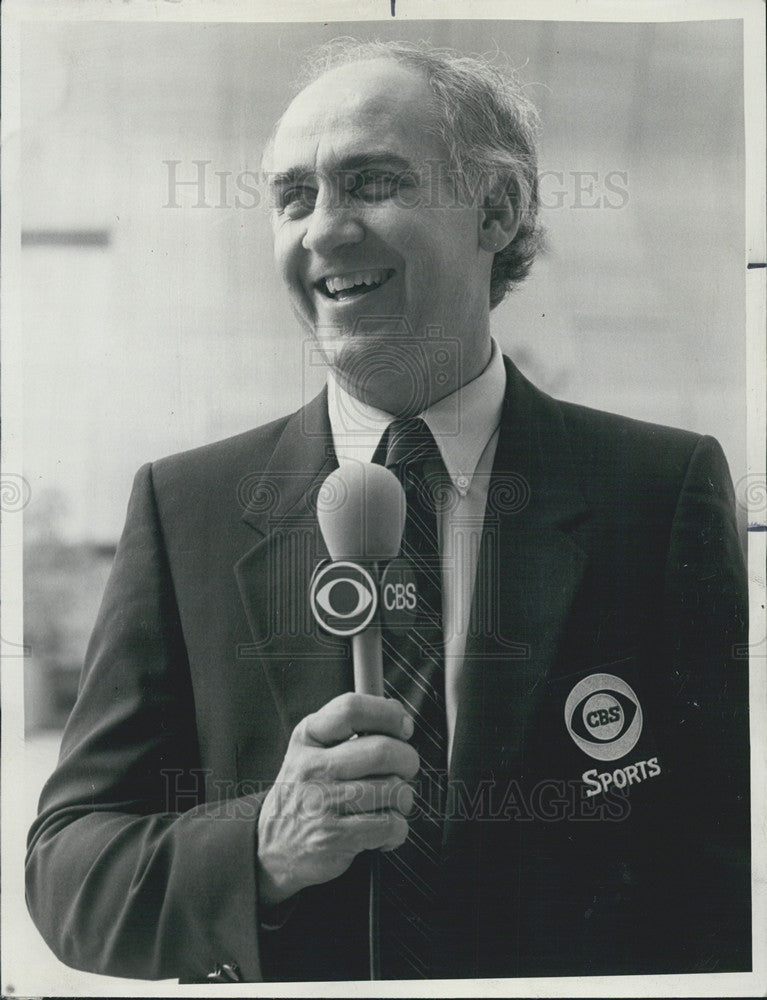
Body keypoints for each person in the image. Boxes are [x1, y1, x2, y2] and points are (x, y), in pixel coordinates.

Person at [26, 39, 750, 983]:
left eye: (371, 183)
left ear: (496, 209)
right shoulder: (185, 508)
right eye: (293, 197)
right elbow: (68, 870)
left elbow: (720, 870)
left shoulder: (657, 493)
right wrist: (260, 847)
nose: (323, 230)